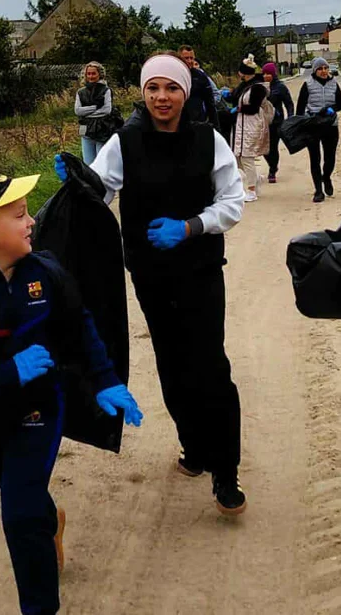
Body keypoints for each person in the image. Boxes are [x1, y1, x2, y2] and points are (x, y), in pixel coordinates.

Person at [0, 172, 143, 615]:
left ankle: (40, 607)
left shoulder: (46, 273)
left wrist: (105, 379)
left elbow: (79, 328)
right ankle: (47, 518)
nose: (32, 222)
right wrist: (7, 371)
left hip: (39, 409)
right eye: (19, 216)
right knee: (25, 498)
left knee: (17, 513)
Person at [55, 53, 248, 515]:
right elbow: (101, 190)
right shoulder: (125, 142)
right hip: (150, 271)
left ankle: (226, 470)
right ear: (142, 93)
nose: (162, 98)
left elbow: (234, 202)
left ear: (185, 92)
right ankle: (193, 446)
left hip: (200, 267)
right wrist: (79, 182)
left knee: (210, 365)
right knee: (172, 363)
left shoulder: (208, 140)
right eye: (153, 88)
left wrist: (191, 227)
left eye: (172, 88)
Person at [224, 54, 274, 203]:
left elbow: (252, 108)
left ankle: (251, 190)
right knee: (238, 156)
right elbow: (235, 97)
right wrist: (227, 96)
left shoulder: (258, 87)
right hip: (241, 125)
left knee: (246, 156)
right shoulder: (243, 85)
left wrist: (238, 109)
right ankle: (256, 179)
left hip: (252, 124)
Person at [295, 57, 341, 203]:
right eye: (320, 69)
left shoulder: (334, 83)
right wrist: (301, 123)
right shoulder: (307, 84)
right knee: (315, 158)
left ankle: (327, 177)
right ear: (315, 70)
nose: (323, 71)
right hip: (313, 125)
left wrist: (333, 109)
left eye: (325, 68)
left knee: (330, 157)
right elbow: (300, 106)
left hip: (330, 125)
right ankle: (318, 190)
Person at [74, 61, 114, 164]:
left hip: (102, 130)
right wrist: (95, 107)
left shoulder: (106, 90)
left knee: (101, 163)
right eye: (89, 74)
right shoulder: (80, 92)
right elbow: (77, 111)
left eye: (93, 73)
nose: (91, 76)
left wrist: (86, 113)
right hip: (86, 130)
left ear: (99, 74)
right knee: (88, 164)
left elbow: (106, 110)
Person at [262, 62, 295, 184]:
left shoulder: (280, 87)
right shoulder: (260, 87)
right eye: (264, 73)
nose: (266, 76)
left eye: (268, 74)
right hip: (262, 122)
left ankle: (272, 170)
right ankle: (271, 164)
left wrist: (290, 117)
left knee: (273, 147)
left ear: (273, 74)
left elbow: (289, 103)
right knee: (264, 148)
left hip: (276, 122)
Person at [177, 45, 220, 130]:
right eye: (186, 58)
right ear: (179, 59)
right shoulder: (172, 75)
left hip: (197, 122)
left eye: (191, 58)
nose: (189, 61)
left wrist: (216, 127)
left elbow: (210, 103)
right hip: (177, 123)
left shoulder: (200, 76)